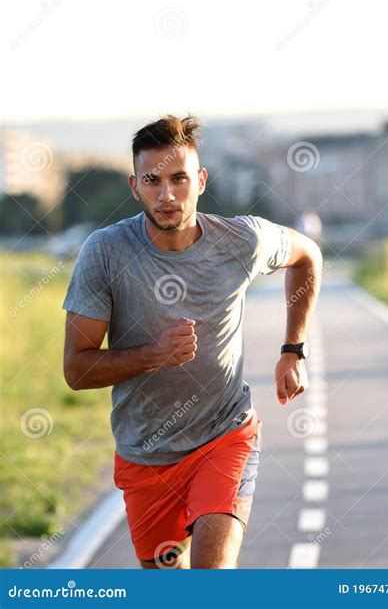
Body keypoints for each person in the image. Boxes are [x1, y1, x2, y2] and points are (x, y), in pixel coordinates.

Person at [62, 114, 322, 569]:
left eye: (179, 178)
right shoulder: (104, 253)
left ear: (200, 180)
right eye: (153, 181)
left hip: (225, 435)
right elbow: (76, 370)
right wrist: (154, 355)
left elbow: (308, 256)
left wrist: (293, 350)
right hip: (145, 452)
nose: (167, 195)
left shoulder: (243, 240)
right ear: (134, 186)